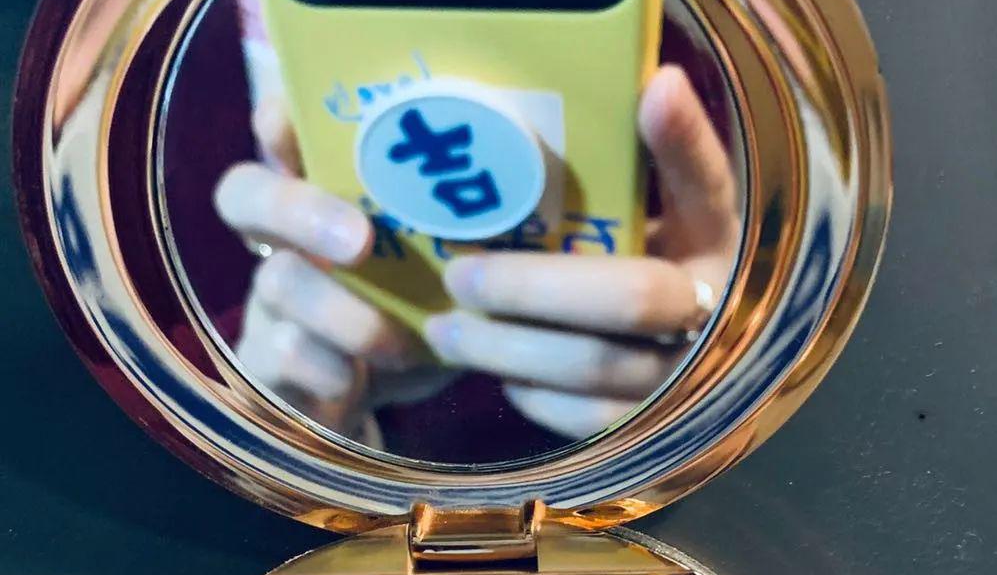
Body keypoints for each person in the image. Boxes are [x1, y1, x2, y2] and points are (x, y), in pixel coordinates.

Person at [214, 54, 741, 447]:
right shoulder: (205, 42)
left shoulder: (723, 44)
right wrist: (291, 443)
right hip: (356, 519)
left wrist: (734, 357)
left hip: (647, 526)